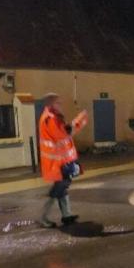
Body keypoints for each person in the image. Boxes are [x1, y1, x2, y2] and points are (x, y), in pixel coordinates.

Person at [38, 93, 85, 228]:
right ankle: (43, 217)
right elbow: (63, 135)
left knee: (63, 186)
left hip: (58, 160)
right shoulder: (50, 119)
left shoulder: (52, 117)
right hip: (55, 162)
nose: (61, 105)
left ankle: (67, 215)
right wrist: (78, 123)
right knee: (58, 188)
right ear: (51, 104)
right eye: (58, 103)